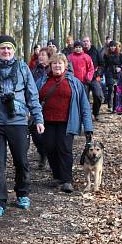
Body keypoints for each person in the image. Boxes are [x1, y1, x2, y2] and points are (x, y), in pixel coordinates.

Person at [0, 35, 44, 218]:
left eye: (9, 49)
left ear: (14, 51)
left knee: (21, 160)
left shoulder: (23, 68)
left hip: (18, 120)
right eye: (2, 49)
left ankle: (22, 192)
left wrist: (38, 119)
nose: (6, 52)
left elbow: (32, 95)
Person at [38, 53, 94, 193]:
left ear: (65, 66)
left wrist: (88, 127)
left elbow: (84, 105)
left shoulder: (75, 82)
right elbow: (33, 98)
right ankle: (57, 176)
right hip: (47, 121)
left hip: (67, 122)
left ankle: (67, 179)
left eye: (60, 63)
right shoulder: (42, 81)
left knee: (64, 149)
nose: (57, 66)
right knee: (50, 148)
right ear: (50, 66)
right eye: (54, 63)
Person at [82, 36, 104, 119]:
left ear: (90, 42)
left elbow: (102, 64)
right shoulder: (81, 52)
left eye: (87, 41)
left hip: (94, 78)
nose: (85, 43)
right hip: (83, 79)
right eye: (84, 41)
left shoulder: (96, 51)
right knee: (84, 98)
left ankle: (96, 112)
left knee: (98, 95)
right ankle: (87, 116)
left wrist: (98, 73)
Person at [103, 40, 122, 112]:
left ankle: (115, 107)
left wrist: (120, 67)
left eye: (114, 46)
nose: (112, 47)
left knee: (116, 90)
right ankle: (110, 105)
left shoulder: (120, 55)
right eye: (111, 46)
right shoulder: (106, 55)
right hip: (109, 73)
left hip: (118, 74)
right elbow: (104, 65)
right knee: (110, 89)